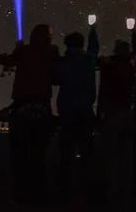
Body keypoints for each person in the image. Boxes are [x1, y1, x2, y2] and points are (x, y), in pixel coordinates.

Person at [8, 24, 59, 207]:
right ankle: (37, 196)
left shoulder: (23, 51)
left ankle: (19, 196)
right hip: (42, 107)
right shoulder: (52, 51)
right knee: (38, 154)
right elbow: (55, 76)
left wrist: (19, 47)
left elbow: (13, 59)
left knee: (19, 154)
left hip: (22, 106)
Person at [53, 24, 99, 196]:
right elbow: (94, 48)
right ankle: (85, 189)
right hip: (85, 111)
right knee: (86, 152)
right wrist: (93, 31)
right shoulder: (89, 60)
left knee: (66, 153)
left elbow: (55, 79)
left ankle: (65, 190)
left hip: (67, 112)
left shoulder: (62, 62)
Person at [97, 40, 136, 212]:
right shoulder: (132, 67)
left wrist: (100, 112)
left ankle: (113, 200)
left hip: (112, 115)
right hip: (127, 115)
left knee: (113, 160)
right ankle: (127, 201)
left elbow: (103, 90)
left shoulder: (108, 67)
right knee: (127, 161)